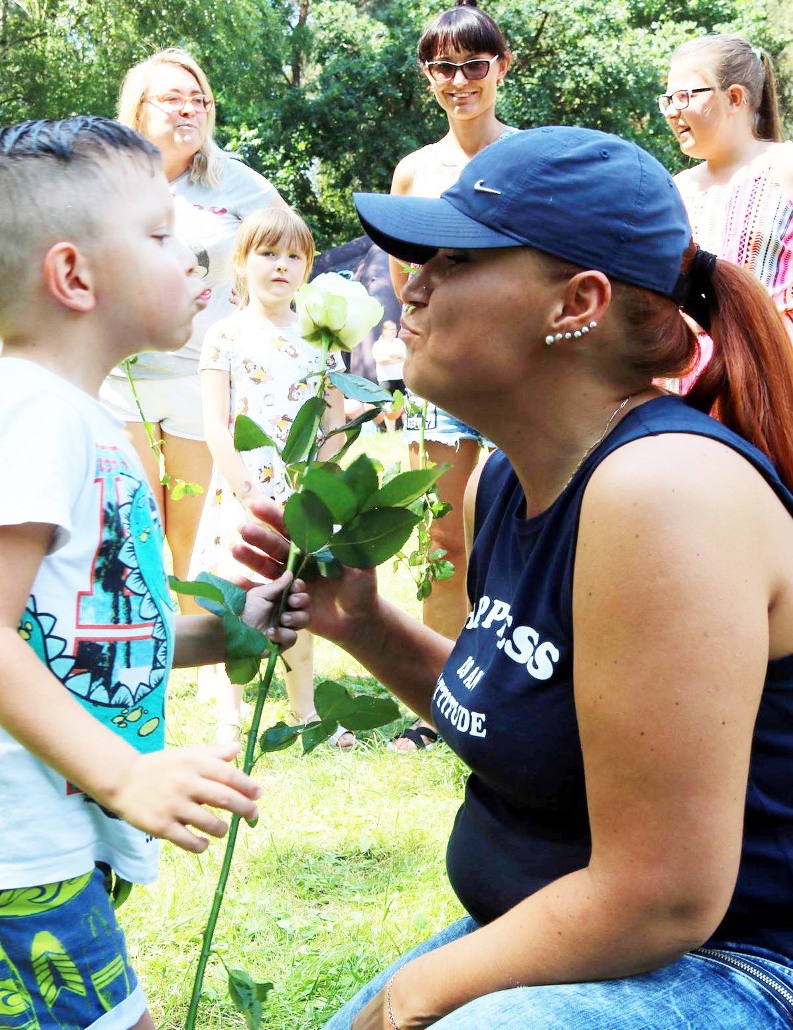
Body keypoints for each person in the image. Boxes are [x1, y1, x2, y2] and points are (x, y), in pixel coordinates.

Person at [236, 125, 793, 1028]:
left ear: (577, 301)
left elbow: (664, 896)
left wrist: (414, 995)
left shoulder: (665, 492)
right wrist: (368, 628)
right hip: (589, 933)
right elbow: (524, 717)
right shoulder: (504, 478)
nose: (408, 287)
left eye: (453, 259)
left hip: (738, 961)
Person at [0, 116, 308, 1030]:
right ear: (74, 277)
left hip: (60, 814)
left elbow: (86, 628)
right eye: (160, 236)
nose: (194, 256)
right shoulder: (33, 416)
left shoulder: (85, 419)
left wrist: (231, 627)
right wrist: (123, 775)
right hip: (13, 832)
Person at [98, 48, 287, 611]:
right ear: (139, 112)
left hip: (198, 374)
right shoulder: (104, 174)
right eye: (172, 99)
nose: (189, 111)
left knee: (193, 526)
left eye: (198, 100)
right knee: (131, 521)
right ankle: (137, 638)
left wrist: (256, 313)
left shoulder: (233, 180)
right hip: (117, 375)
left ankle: (196, 641)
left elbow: (288, 243)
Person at [388, 0, 515, 751]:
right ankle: (439, 700)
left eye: (474, 64)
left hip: (517, 374)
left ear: (502, 66)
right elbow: (409, 278)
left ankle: (516, 689)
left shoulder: (532, 157)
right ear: (427, 74)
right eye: (443, 66)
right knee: (442, 534)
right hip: (442, 375)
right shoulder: (415, 170)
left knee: (516, 533)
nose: (460, 79)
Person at [192, 207, 352, 748]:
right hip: (244, 490)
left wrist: (322, 481)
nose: (281, 266)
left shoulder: (324, 338)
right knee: (237, 600)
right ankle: (229, 718)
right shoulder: (224, 335)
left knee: (295, 598)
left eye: (293, 256)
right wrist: (246, 492)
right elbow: (216, 421)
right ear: (241, 261)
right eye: (267, 253)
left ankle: (304, 710)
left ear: (307, 266)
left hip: (302, 493)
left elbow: (334, 419)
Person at [661, 33, 792, 358]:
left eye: (682, 97)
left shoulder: (784, 166)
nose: (671, 112)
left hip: (771, 376)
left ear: (734, 98)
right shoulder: (677, 188)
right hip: (685, 389)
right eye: (666, 100)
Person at [372, 320, 406, 432]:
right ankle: (391, 431)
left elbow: (404, 356)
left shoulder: (399, 342)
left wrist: (390, 356)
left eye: (395, 329)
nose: (393, 332)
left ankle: (406, 429)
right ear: (384, 330)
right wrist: (395, 357)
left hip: (400, 377)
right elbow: (381, 359)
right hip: (385, 379)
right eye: (390, 329)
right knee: (388, 406)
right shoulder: (378, 344)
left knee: (404, 403)